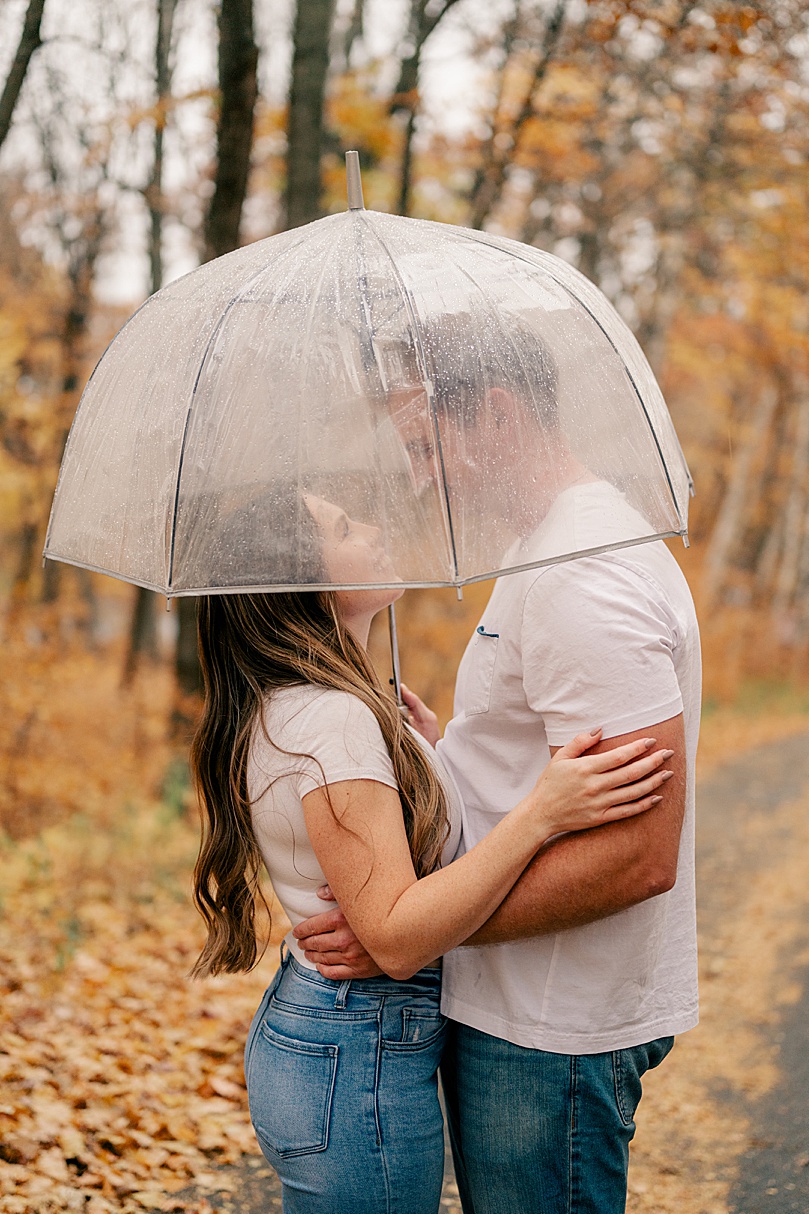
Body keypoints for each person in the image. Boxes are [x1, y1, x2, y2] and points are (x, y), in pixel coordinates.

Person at [293, 322, 701, 1214]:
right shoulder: (540, 544)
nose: (415, 476)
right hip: (520, 1004)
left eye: (423, 445)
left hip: (547, 1028)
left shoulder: (579, 572)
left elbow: (637, 855)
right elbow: (546, 755)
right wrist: (451, 761)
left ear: (499, 418)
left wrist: (408, 931)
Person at [189, 488, 675, 1214]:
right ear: (302, 580)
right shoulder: (331, 720)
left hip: (348, 1035)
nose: (378, 528)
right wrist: (541, 812)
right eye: (349, 527)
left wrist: (426, 754)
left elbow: (393, 861)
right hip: (354, 1042)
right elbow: (393, 936)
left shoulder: (331, 707)